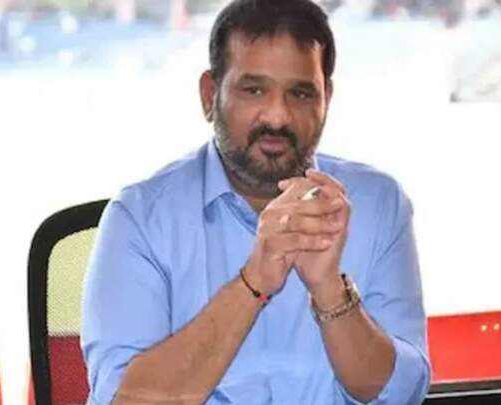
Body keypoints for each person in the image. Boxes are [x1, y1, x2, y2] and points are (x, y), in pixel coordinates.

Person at [81, 1, 430, 404]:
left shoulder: (378, 204)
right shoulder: (140, 219)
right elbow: (125, 400)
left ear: (326, 99)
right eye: (254, 90)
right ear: (209, 95)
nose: (278, 117)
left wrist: (330, 291)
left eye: (300, 93)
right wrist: (254, 280)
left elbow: (402, 394)